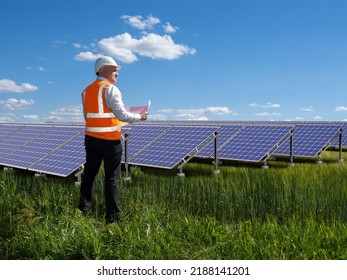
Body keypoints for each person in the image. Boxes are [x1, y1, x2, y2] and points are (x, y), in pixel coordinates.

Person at [78, 56, 148, 223]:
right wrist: (139, 116)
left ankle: (83, 209)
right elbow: (121, 114)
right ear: (103, 69)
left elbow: (89, 116)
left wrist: (121, 120)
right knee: (111, 178)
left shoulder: (86, 91)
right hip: (110, 141)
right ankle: (113, 218)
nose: (117, 73)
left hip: (91, 139)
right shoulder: (110, 89)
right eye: (114, 69)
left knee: (89, 175)